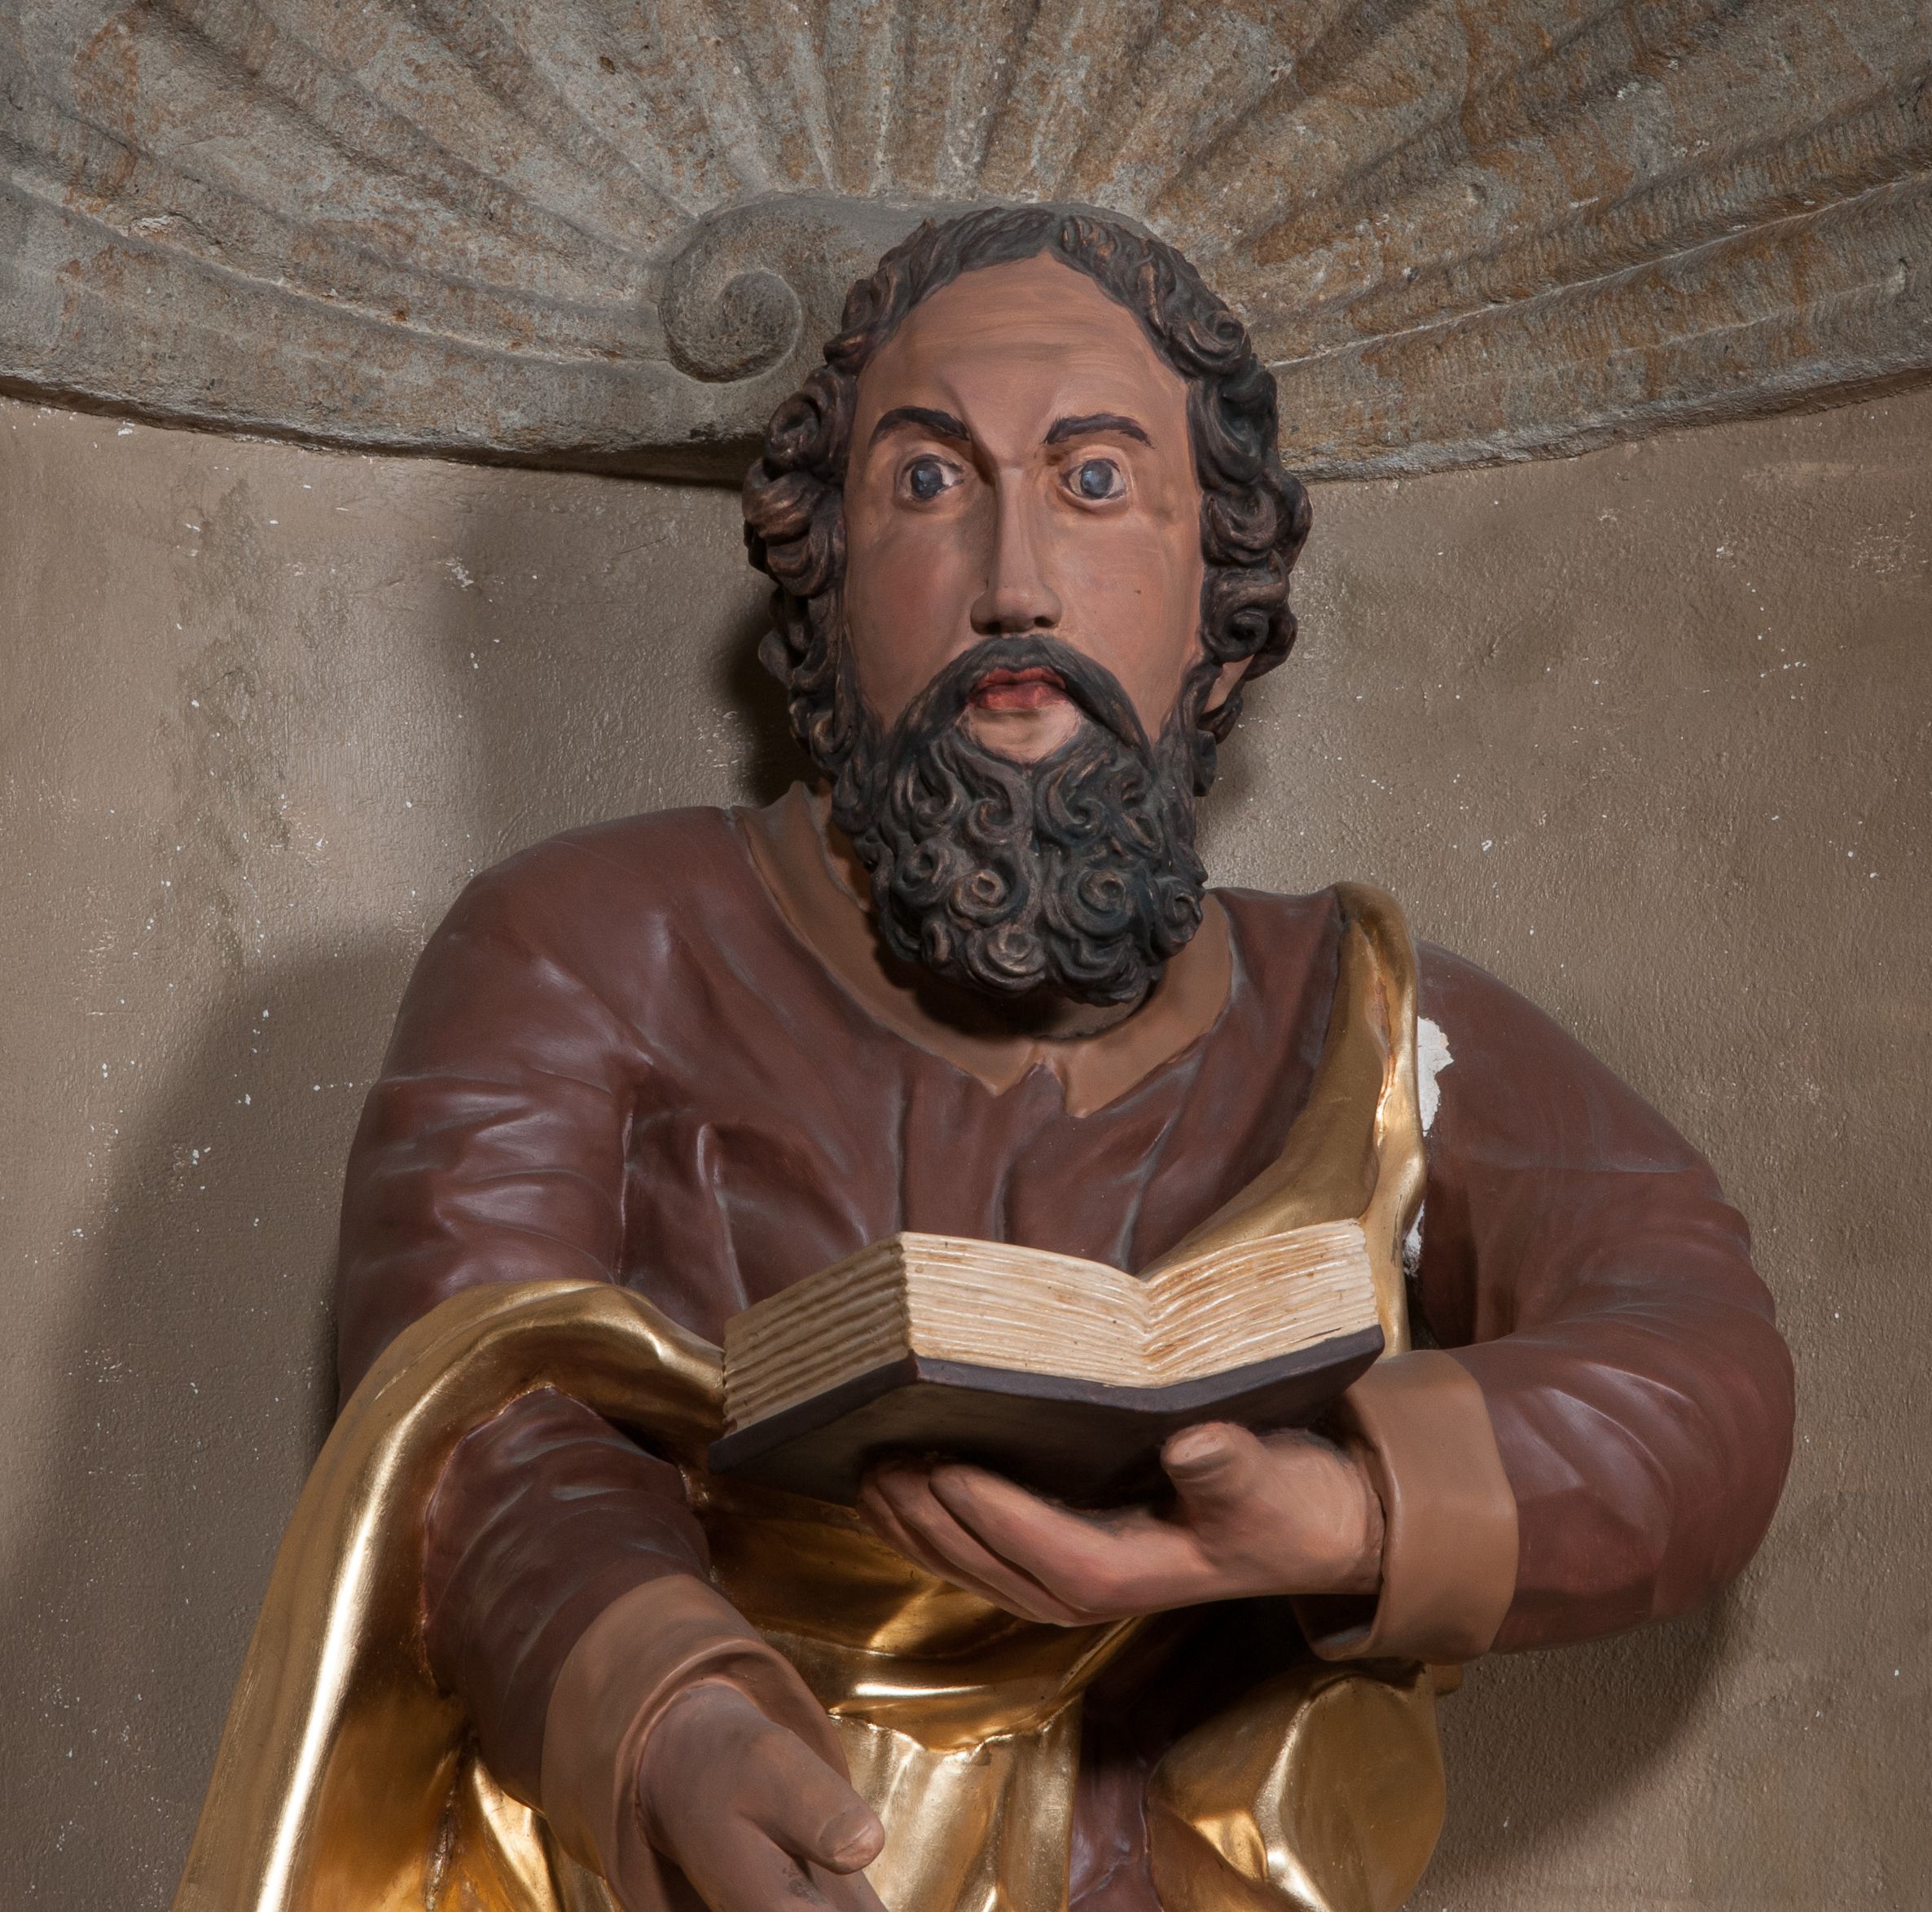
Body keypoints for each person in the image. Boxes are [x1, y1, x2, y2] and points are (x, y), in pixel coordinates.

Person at [296, 208, 1791, 1912]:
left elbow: (1703, 1366)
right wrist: (671, 1712)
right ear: (825, 581)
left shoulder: (1366, 1022)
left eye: (1093, 481)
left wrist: (1349, 1512)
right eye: (929, 483)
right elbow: (466, 1410)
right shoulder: (587, 941)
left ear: (1218, 599)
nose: (1014, 579)